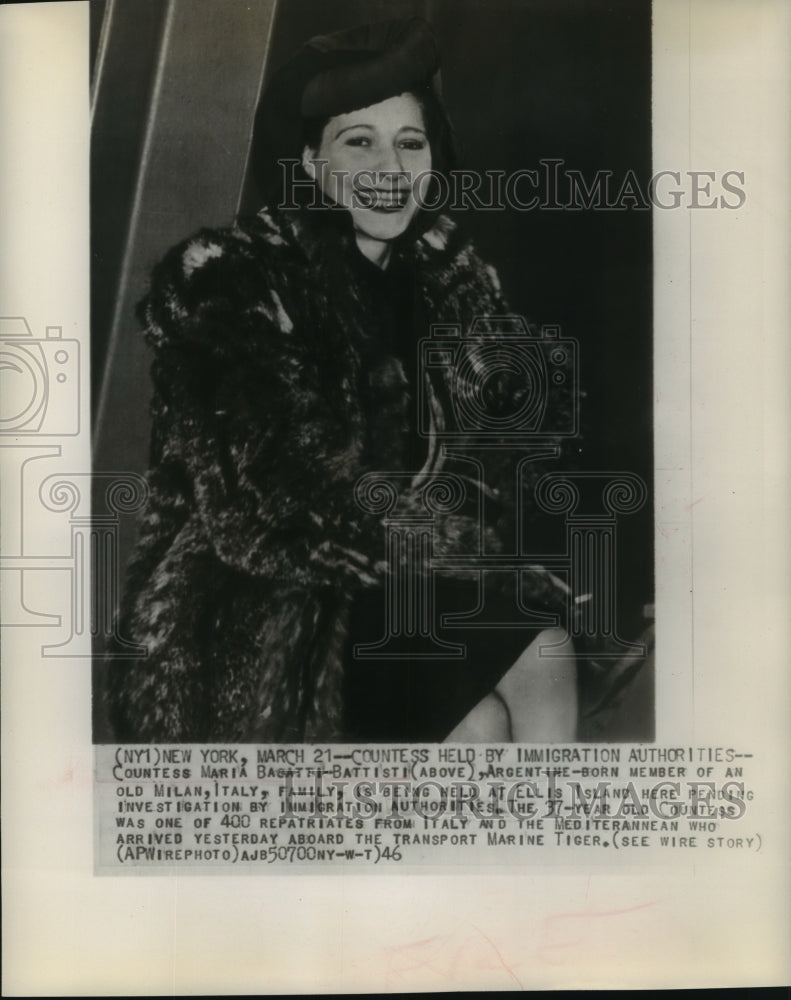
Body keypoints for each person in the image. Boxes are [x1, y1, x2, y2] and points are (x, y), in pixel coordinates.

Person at [106, 18, 578, 743]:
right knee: (533, 655)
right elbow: (269, 505)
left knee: (487, 720)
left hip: (407, 579)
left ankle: (541, 852)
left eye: (409, 143)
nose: (390, 168)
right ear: (310, 164)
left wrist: (476, 324)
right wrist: (447, 545)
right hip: (262, 602)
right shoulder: (235, 283)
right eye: (358, 143)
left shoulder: (445, 284)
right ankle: (554, 851)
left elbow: (504, 456)